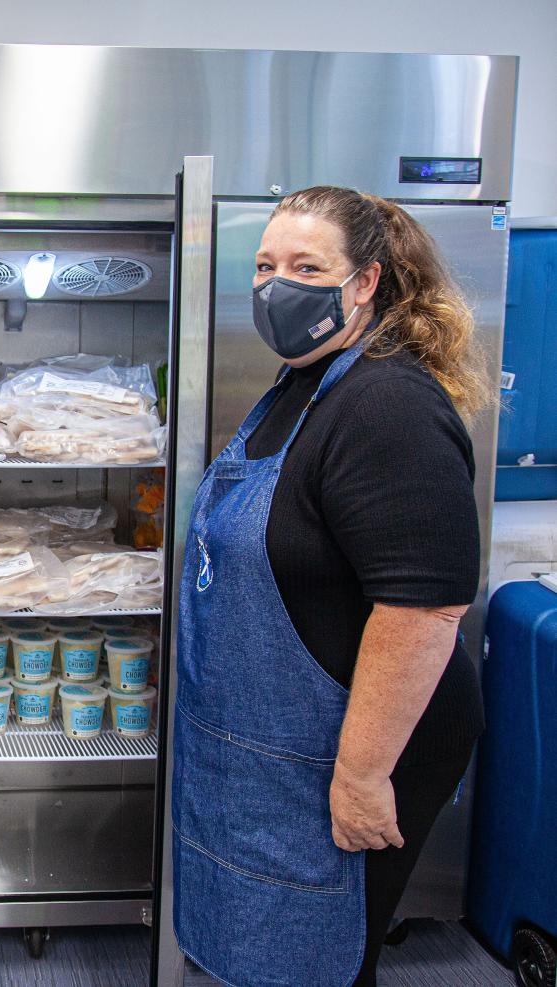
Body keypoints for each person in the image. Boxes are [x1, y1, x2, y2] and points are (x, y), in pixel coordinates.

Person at [172, 187, 488, 986]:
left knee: (321, 947)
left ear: (366, 281)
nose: (279, 284)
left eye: (307, 266)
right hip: (281, 741)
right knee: (269, 940)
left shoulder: (386, 404)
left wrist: (360, 775)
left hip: (354, 742)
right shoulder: (301, 384)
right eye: (266, 265)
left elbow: (425, 607)